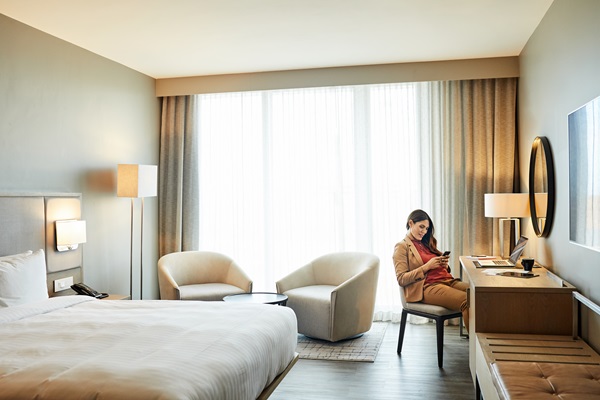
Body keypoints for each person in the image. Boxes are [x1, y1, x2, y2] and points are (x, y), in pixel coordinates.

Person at [393, 209, 469, 329]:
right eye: (421, 227)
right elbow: (401, 279)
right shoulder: (401, 247)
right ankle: (475, 347)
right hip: (428, 287)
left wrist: (444, 265)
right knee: (466, 301)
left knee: (480, 294)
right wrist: (426, 266)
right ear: (411, 223)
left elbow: (436, 267)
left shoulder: (425, 243)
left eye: (426, 228)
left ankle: (488, 340)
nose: (424, 231)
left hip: (448, 281)